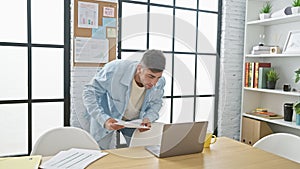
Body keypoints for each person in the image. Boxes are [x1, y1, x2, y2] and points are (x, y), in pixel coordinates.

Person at [82, 49, 166, 149]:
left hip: (134, 122)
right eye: (150, 76)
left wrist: (148, 118)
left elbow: (156, 103)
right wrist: (104, 119)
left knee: (140, 151)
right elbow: (89, 93)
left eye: (158, 77)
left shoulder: (160, 82)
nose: (154, 83)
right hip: (108, 116)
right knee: (101, 153)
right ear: (139, 68)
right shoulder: (114, 69)